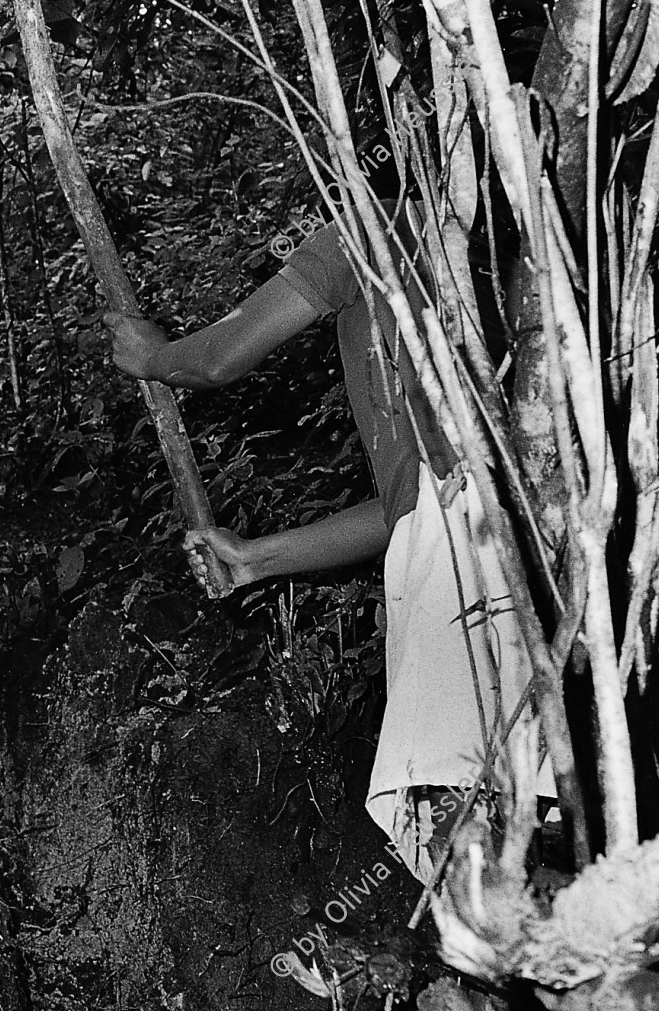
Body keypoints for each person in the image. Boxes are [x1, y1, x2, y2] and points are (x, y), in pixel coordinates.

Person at [104, 209, 553, 883]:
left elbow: (222, 356)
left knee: (450, 814)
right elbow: (401, 507)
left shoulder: (375, 223)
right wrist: (259, 557)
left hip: (458, 539)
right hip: (514, 538)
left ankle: (471, 968)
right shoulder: (496, 227)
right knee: (492, 809)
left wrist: (154, 358)